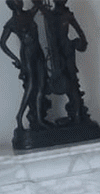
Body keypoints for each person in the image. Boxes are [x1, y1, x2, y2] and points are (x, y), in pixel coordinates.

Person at [0, 0, 49, 130]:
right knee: (31, 85)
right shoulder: (11, 23)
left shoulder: (29, 14)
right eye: (17, 0)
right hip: (27, 55)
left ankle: (40, 119)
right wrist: (15, 59)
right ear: (12, 4)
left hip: (38, 52)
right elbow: (2, 43)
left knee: (42, 84)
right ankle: (19, 116)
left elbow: (39, 4)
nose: (20, 1)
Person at [42, 0, 89, 123]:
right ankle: (75, 113)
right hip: (55, 53)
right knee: (63, 82)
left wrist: (81, 42)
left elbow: (80, 32)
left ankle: (77, 115)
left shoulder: (67, 15)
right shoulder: (50, 14)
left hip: (67, 51)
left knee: (73, 82)